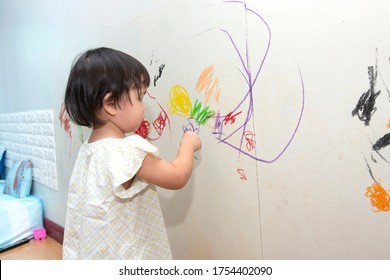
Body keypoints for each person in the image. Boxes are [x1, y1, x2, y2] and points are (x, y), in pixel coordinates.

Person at [62, 47, 201, 259]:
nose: (144, 107)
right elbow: (177, 176)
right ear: (110, 104)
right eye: (140, 97)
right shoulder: (125, 151)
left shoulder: (88, 151)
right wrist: (188, 145)